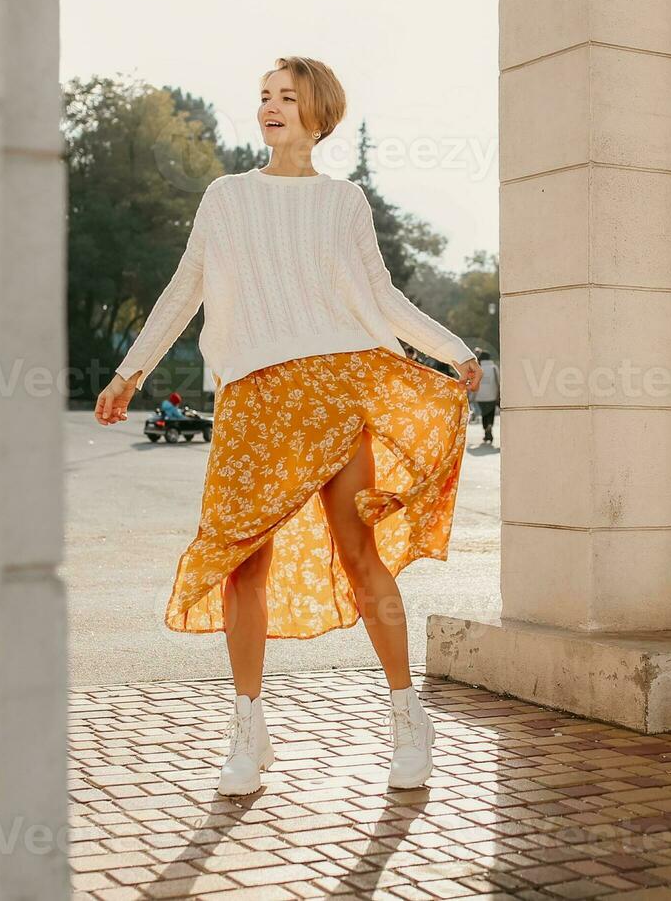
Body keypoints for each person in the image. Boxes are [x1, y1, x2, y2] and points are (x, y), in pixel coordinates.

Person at [93, 56, 482, 798]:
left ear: (317, 111)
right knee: (242, 562)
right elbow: (186, 289)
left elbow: (379, 294)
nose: (271, 107)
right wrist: (129, 372)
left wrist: (453, 348)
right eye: (264, 97)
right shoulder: (226, 196)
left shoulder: (344, 202)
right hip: (252, 394)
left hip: (334, 389)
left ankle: (407, 717)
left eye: (287, 97)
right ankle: (247, 727)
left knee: (357, 551)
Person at [473, 348, 499, 445]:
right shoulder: (494, 367)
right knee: (490, 413)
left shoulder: (478, 368)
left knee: (484, 413)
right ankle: (489, 426)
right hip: (492, 396)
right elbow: (498, 381)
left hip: (480, 397)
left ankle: (485, 430)